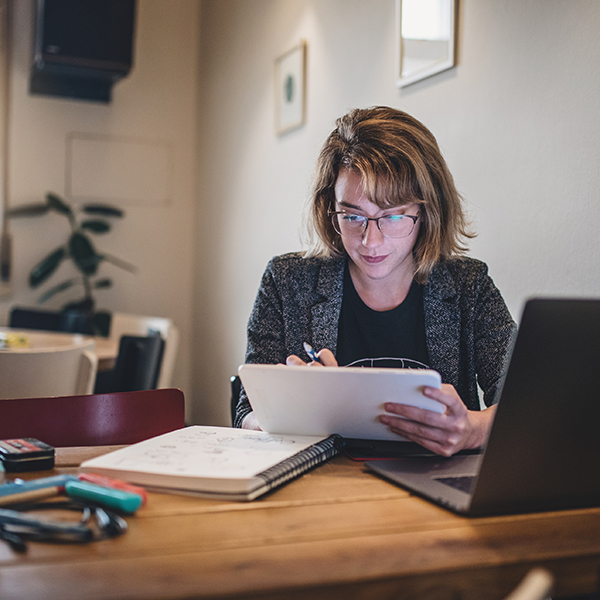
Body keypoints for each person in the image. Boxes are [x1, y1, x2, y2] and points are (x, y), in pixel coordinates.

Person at [234, 106, 516, 457]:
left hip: (437, 484)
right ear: (330, 207)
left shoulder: (468, 287)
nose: (370, 241)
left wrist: (474, 430)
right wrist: (292, 411)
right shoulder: (288, 282)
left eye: (393, 215)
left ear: (426, 211)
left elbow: (530, 404)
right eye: (352, 216)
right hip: (322, 487)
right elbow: (245, 413)